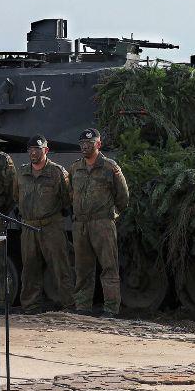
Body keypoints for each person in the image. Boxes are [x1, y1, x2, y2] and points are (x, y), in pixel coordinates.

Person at [70, 128, 129, 317]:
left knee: (109, 267)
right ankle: (83, 307)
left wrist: (111, 214)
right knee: (82, 268)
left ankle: (111, 308)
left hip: (102, 223)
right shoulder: (75, 168)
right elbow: (69, 193)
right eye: (82, 144)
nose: (85, 146)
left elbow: (123, 197)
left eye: (90, 143)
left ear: (98, 144)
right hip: (81, 224)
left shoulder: (110, 167)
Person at [17, 135, 73, 313]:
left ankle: (68, 304)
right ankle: (30, 305)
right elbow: (15, 196)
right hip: (28, 226)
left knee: (60, 267)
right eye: (30, 149)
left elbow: (67, 198)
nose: (33, 153)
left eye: (37, 149)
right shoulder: (23, 172)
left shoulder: (57, 172)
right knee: (30, 267)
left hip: (51, 226)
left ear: (46, 150)